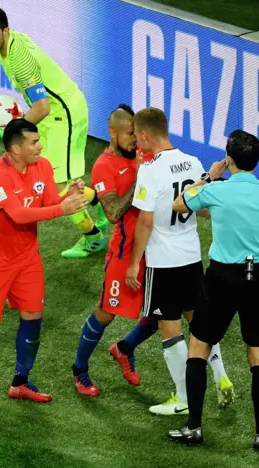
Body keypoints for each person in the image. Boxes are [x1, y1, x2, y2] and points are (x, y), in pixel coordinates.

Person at [168, 130, 259, 449]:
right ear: (257, 160)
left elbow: (179, 204)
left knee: (199, 346)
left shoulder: (216, 191)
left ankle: (194, 428)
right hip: (257, 279)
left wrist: (209, 176)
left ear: (230, 159)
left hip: (220, 277)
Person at [0, 118, 89, 402]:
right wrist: (62, 209)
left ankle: (20, 381)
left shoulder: (43, 166)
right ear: (15, 149)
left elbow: (49, 201)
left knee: (33, 319)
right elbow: (17, 214)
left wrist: (67, 196)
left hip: (28, 260)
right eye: (34, 142)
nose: (41, 146)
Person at [125, 107, 235, 416]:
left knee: (169, 328)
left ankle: (184, 397)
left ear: (146, 135)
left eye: (136, 135)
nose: (136, 141)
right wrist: (209, 178)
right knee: (199, 323)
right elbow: (201, 209)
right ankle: (220, 375)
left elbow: (145, 222)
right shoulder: (193, 162)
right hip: (191, 256)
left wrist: (135, 264)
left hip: (163, 261)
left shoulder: (150, 170)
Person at [0, 6, 109, 259]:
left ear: (5, 30)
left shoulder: (19, 59)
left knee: (57, 186)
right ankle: (101, 203)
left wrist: (14, 135)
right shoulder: (8, 45)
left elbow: (41, 106)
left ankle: (93, 238)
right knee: (56, 177)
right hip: (55, 114)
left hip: (62, 115)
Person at [70, 104, 158, 396]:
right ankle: (79, 369)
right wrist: (141, 178)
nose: (136, 139)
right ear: (113, 133)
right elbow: (113, 213)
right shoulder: (104, 166)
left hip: (156, 247)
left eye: (139, 133)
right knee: (107, 312)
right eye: (131, 134)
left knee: (161, 312)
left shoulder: (145, 155)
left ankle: (124, 348)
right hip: (125, 251)